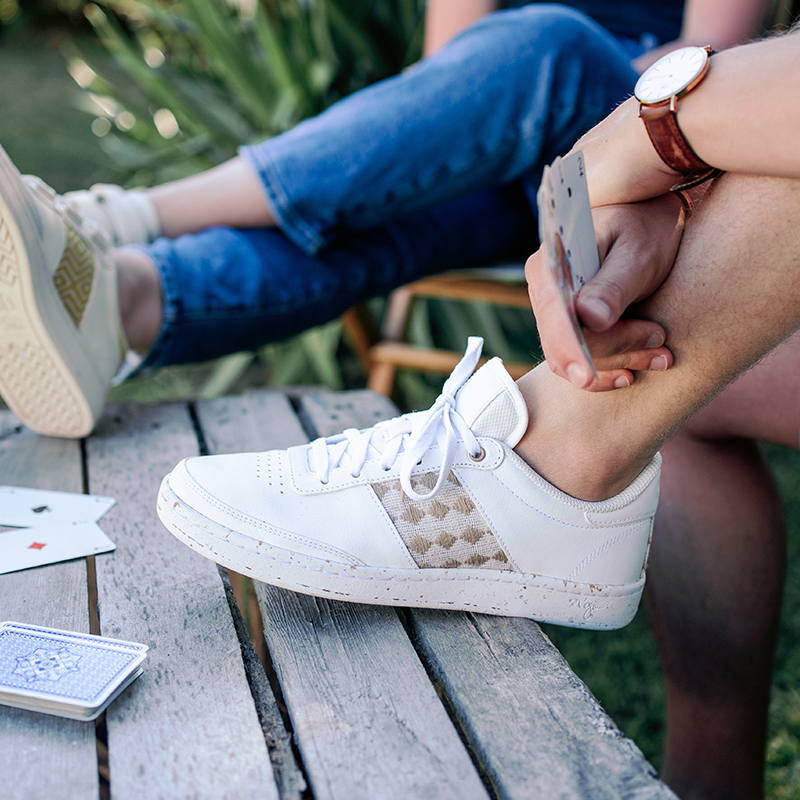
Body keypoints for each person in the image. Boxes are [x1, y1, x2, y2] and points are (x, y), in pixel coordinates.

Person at [0, 0, 767, 437]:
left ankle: (113, 221)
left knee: (554, 46)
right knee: (385, 224)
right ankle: (121, 300)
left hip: (650, 117)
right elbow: (448, 70)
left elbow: (712, 60)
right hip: (517, 150)